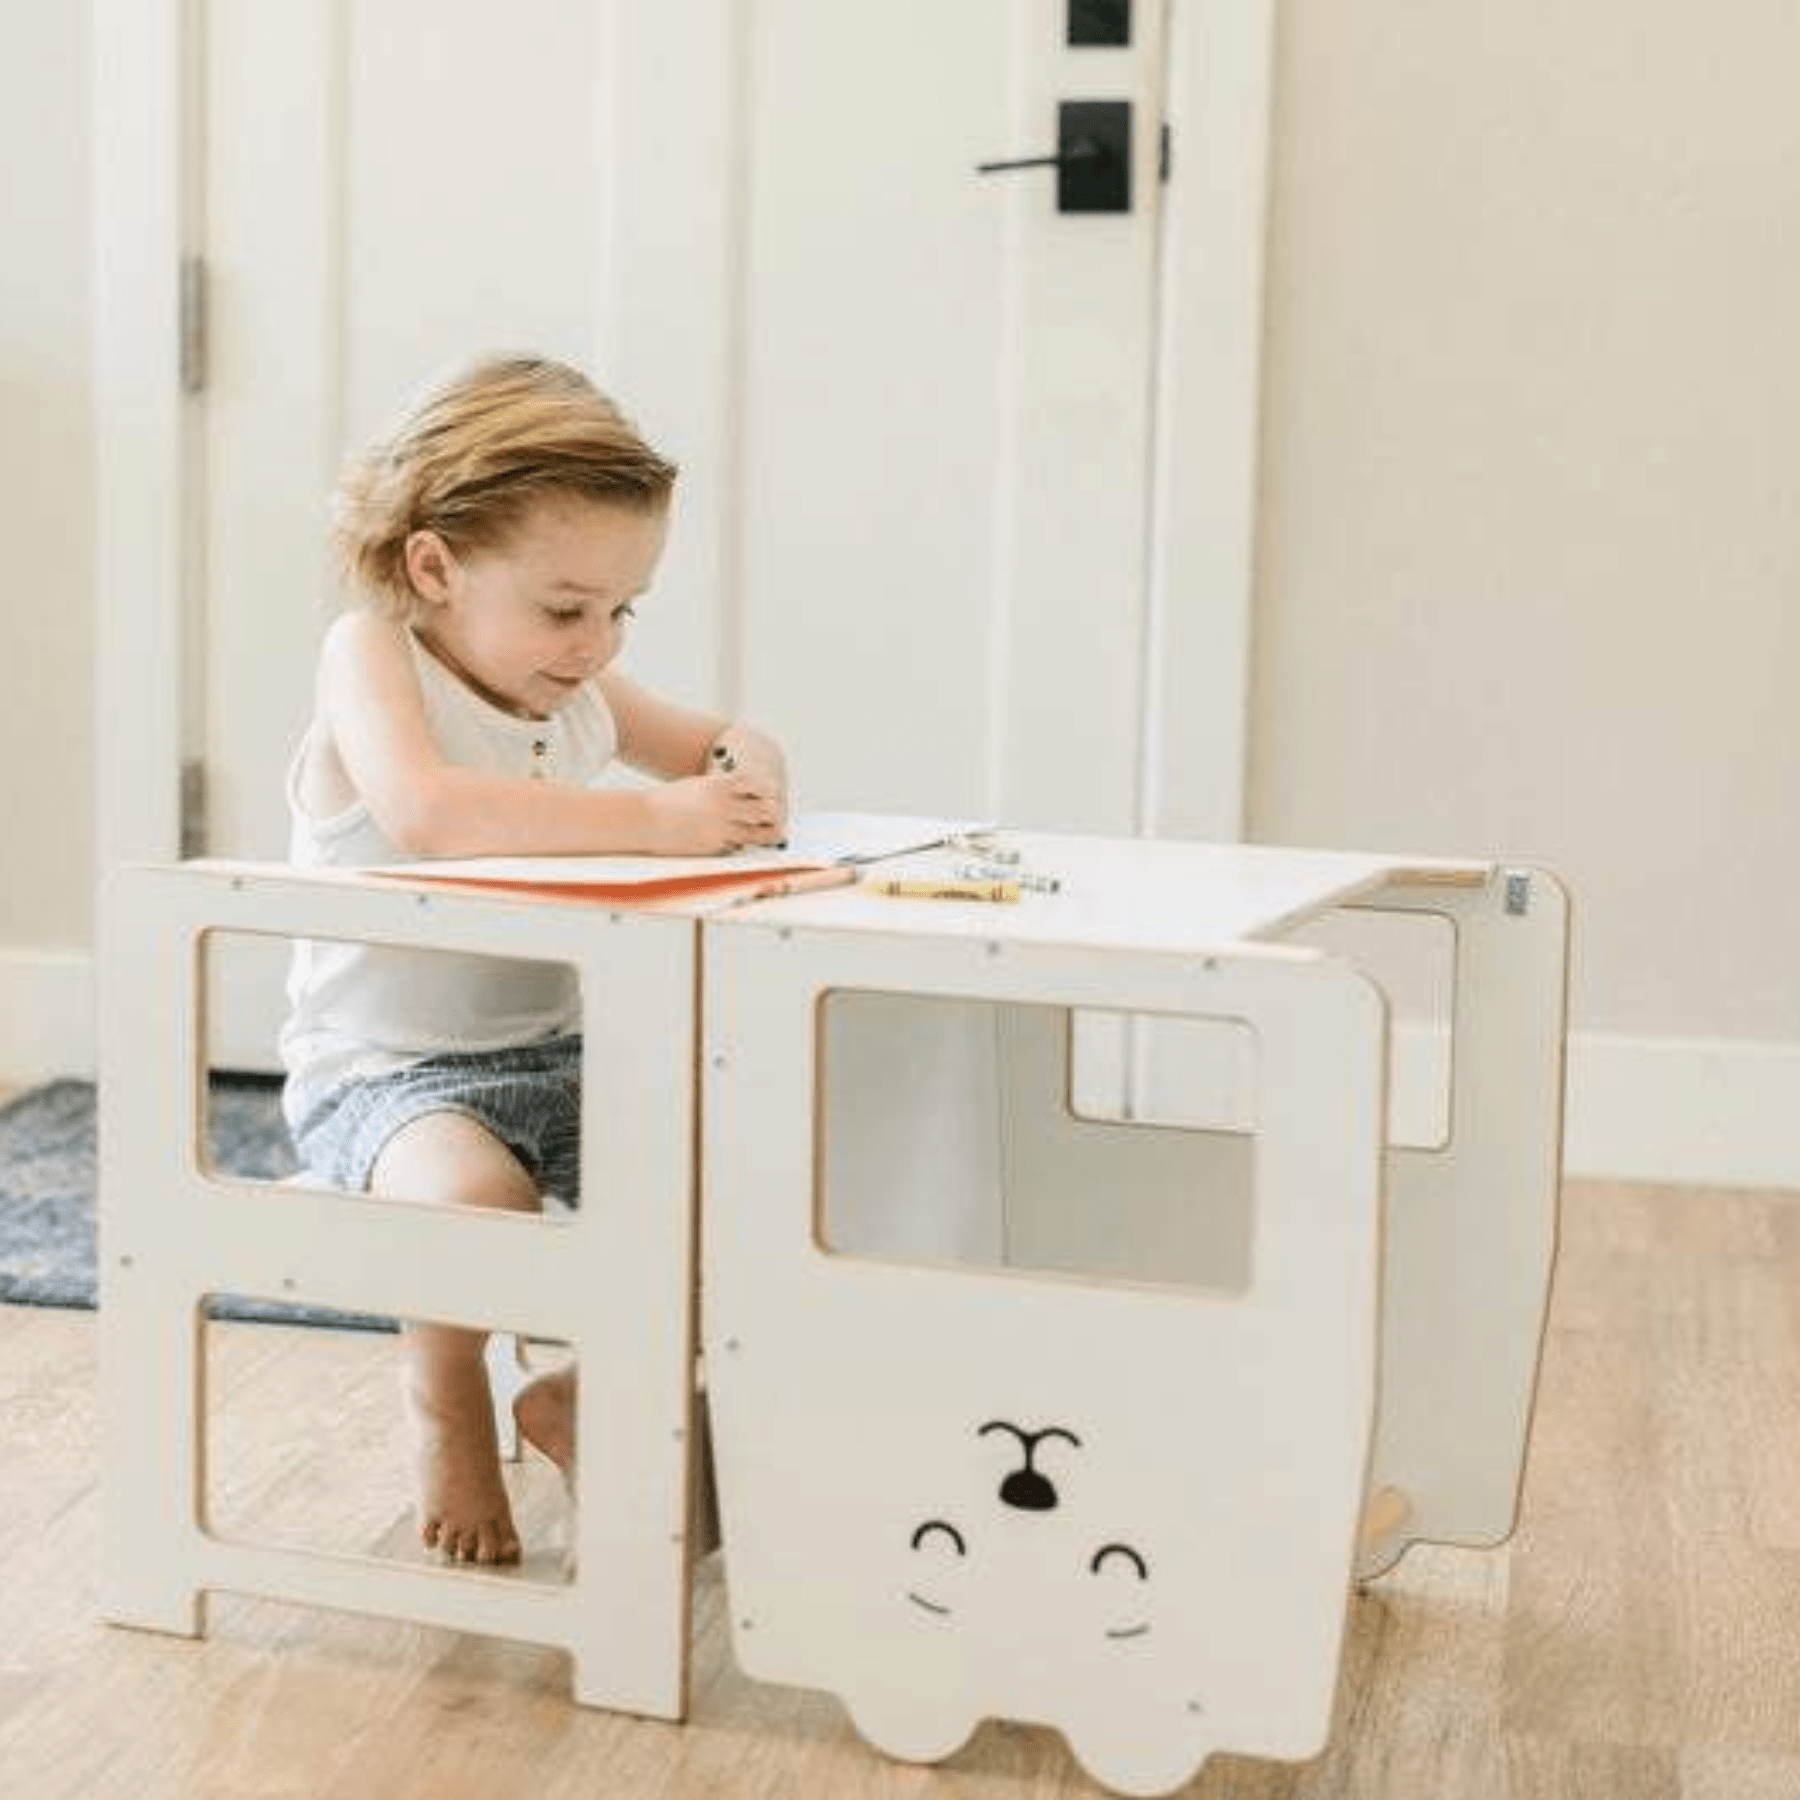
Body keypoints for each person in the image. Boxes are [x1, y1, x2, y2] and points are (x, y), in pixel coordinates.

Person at [279, 353, 787, 1564]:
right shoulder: (374, 655)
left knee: (748, 1172)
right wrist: (659, 823)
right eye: (567, 609)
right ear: (435, 567)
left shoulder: (579, 690)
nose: (598, 642)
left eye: (624, 610)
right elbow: (429, 813)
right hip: (390, 1075)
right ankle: (446, 1399)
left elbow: (713, 743)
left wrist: (749, 762)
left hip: (565, 1053)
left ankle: (589, 1389)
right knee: (476, 1204)